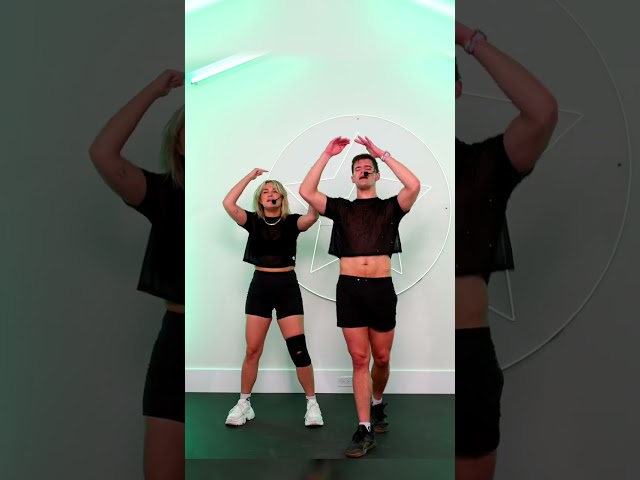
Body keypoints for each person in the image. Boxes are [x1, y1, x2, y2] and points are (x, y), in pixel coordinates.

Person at [454, 21, 558, 480]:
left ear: (456, 90)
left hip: (464, 355)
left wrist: (467, 39)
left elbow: (542, 112)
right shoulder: (370, 172)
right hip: (389, 350)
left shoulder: (482, 167)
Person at [89, 69, 185, 480]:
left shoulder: (258, 197)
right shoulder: (163, 194)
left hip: (235, 342)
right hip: (178, 341)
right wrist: (155, 91)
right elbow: (103, 154)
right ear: (178, 142)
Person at [299, 135, 421, 458]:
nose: (364, 170)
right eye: (358, 168)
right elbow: (307, 191)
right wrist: (326, 153)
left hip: (381, 289)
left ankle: (377, 402)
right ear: (353, 178)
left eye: (369, 167)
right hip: (350, 289)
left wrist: (382, 153)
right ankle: (364, 428)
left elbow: (413, 185)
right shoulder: (342, 208)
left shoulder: (390, 207)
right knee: (359, 359)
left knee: (381, 358)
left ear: (376, 175)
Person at [222, 169, 324, 428]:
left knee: (298, 349)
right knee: (252, 349)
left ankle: (312, 404)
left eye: (274, 190)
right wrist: (249, 177)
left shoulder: (292, 223)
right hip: (260, 287)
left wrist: (310, 190)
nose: (270, 194)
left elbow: (313, 216)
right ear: (259, 198)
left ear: (282, 197)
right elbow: (229, 204)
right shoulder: (253, 221)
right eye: (265, 191)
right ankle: (244, 403)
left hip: (287, 287)